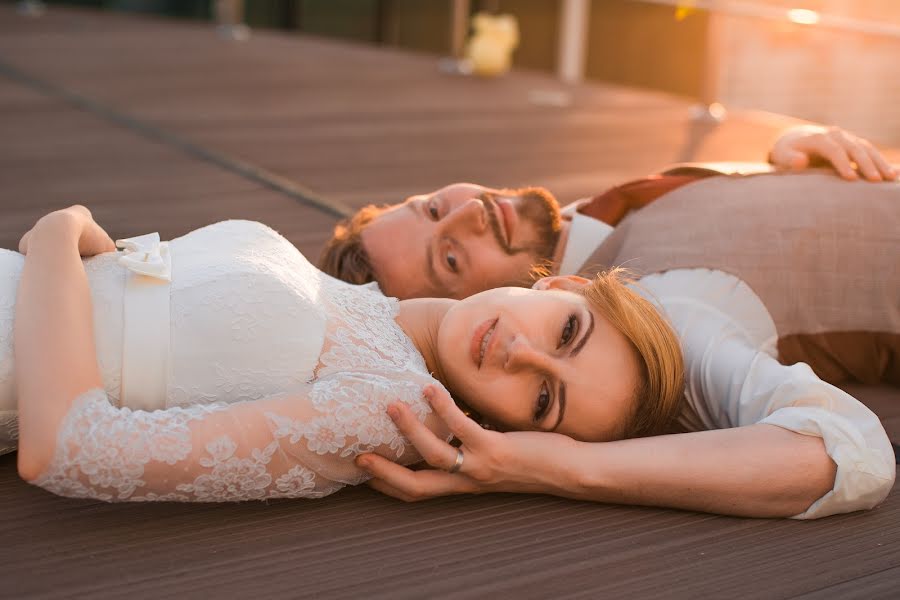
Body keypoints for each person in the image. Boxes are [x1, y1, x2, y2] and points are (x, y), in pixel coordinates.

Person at [318, 125, 899, 518]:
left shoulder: (588, 241)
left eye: (432, 207)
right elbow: (849, 452)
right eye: (450, 257)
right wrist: (567, 469)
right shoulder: (654, 319)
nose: (473, 210)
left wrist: (789, 147)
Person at [7, 207, 685, 502]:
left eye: (544, 399)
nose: (522, 356)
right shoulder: (367, 302)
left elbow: (69, 445)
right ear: (560, 285)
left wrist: (63, 231)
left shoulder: (381, 410)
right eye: (566, 332)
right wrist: (85, 252)